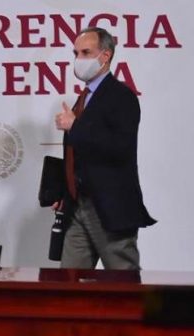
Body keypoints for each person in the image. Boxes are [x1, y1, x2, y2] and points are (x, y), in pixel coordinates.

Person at [54, 27, 155, 269]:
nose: (78, 59)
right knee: (68, 283)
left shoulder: (122, 97)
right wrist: (65, 190)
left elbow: (119, 148)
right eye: (76, 53)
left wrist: (75, 126)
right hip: (77, 206)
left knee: (122, 282)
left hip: (110, 208)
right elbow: (78, 153)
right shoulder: (84, 98)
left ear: (105, 55)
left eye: (86, 52)